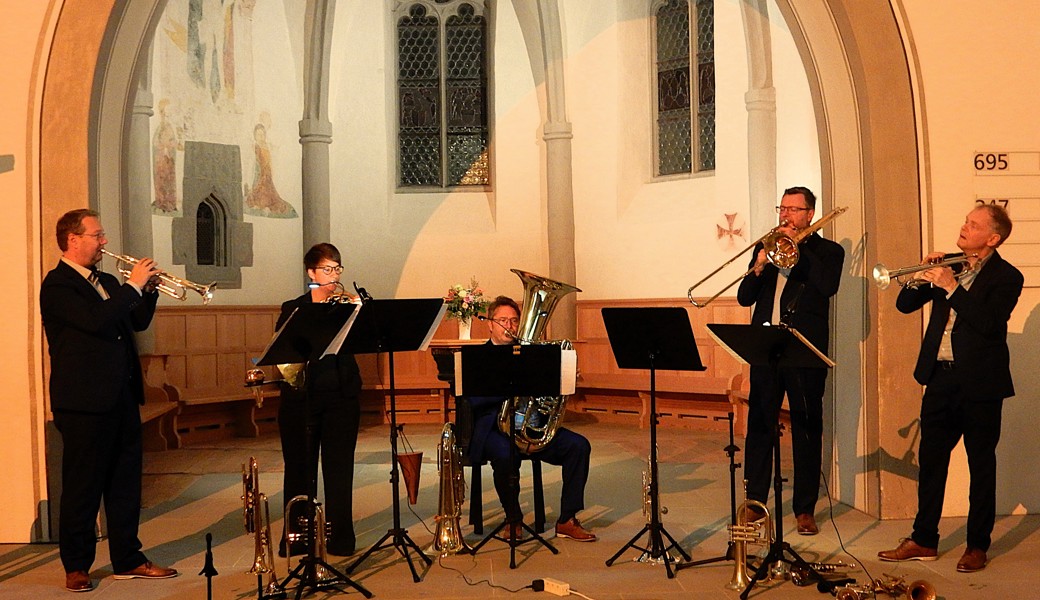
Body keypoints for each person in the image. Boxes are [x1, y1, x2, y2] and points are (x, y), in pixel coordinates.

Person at [40, 209, 179, 592]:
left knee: (125, 485)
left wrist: (148, 291)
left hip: (121, 397)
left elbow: (135, 321)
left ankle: (128, 558)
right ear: (73, 240)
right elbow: (96, 320)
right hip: (84, 403)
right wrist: (133, 286)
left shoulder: (106, 280)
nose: (104, 242)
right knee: (83, 487)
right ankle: (76, 566)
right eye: (97, 235)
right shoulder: (58, 286)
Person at [878, 205, 1023, 573]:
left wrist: (951, 287)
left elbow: (989, 323)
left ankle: (977, 545)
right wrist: (920, 276)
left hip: (980, 383)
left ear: (993, 238)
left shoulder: (1008, 276)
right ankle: (924, 539)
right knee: (931, 463)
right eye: (965, 221)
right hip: (940, 378)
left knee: (981, 465)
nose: (964, 227)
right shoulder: (951, 266)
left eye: (974, 225)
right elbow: (904, 305)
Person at [736, 186, 845, 536]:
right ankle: (755, 502)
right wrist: (759, 265)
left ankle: (805, 509)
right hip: (766, 348)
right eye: (782, 208)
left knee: (806, 428)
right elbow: (744, 297)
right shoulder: (766, 246)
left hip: (803, 349)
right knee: (760, 424)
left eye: (793, 210)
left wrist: (798, 249)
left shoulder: (829, 252)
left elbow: (827, 286)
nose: (786, 215)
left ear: (810, 214)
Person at [467, 296, 597, 542]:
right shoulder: (477, 357)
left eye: (514, 320)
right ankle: (513, 518)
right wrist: (510, 384)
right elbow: (474, 400)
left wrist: (565, 377)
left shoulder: (535, 354)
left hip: (534, 428)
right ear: (490, 324)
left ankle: (566, 520)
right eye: (503, 320)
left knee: (579, 446)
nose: (509, 326)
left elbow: (552, 392)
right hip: (496, 429)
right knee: (505, 455)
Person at [276, 243, 362, 557]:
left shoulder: (348, 307)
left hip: (341, 396)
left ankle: (341, 539)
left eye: (337, 269)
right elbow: (284, 355)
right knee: (299, 470)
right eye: (327, 269)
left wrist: (359, 313)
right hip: (301, 399)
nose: (334, 275)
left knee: (340, 470)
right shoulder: (293, 308)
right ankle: (297, 538)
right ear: (311, 272)